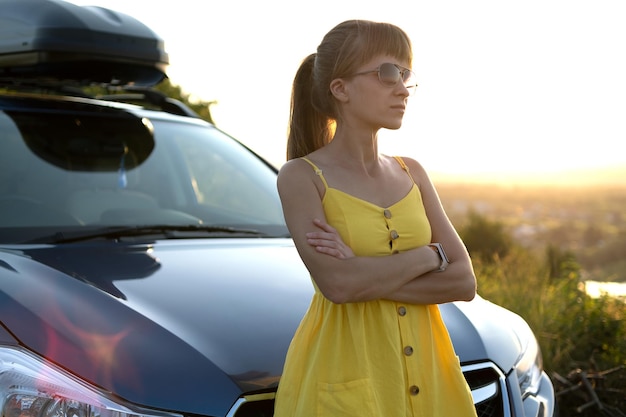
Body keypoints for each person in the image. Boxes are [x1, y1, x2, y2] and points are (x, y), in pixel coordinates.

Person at [273, 19, 478, 417]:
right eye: (387, 73)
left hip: (433, 376)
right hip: (345, 374)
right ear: (340, 88)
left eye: (405, 74)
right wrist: (429, 256)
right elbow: (338, 284)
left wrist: (364, 273)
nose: (402, 87)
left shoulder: (412, 172)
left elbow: (464, 281)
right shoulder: (300, 177)